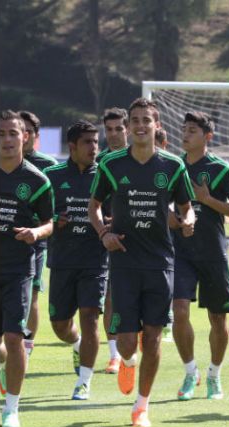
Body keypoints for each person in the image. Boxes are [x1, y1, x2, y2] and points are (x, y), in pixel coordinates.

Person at [88, 97, 195, 427]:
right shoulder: (111, 164)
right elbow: (94, 206)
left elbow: (186, 206)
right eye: (134, 120)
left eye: (146, 120)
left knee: (152, 336)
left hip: (160, 262)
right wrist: (103, 233)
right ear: (129, 126)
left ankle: (142, 405)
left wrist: (189, 219)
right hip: (123, 260)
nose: (139, 126)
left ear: (156, 125)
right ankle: (127, 361)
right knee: (126, 342)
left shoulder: (173, 166)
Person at [169, 112, 229, 400]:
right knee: (179, 311)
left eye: (192, 130)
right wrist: (171, 219)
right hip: (180, 253)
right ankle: (190, 373)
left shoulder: (222, 170)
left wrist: (207, 200)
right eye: (184, 129)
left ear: (207, 136)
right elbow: (160, 202)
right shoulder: (173, 166)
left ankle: (214, 375)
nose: (185, 135)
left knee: (218, 318)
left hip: (213, 253)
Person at [43, 121, 110, 400]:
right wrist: (53, 219)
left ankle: (84, 381)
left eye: (96, 142)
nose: (94, 148)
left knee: (90, 318)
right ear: (72, 146)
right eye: (87, 142)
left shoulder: (106, 174)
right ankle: (77, 343)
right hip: (62, 260)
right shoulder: (51, 176)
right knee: (60, 324)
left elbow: (118, 211)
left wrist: (111, 222)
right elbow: (36, 213)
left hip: (95, 260)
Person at [0, 110, 54, 427]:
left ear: (25, 136)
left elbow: (50, 223)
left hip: (18, 269)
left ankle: (11, 409)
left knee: (14, 336)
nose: (7, 139)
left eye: (12, 133)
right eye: (1, 133)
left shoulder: (37, 180)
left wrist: (36, 232)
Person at [18, 110, 59, 359]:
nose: (22, 136)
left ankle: (27, 347)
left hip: (36, 240)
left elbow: (58, 204)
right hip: (6, 238)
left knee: (32, 292)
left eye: (28, 132)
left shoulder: (49, 165)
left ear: (35, 135)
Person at [97, 107, 129, 374]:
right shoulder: (99, 162)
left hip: (143, 238)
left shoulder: (143, 157)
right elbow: (93, 202)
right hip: (108, 238)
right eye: (109, 129)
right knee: (110, 297)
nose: (114, 134)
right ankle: (114, 355)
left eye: (119, 128)